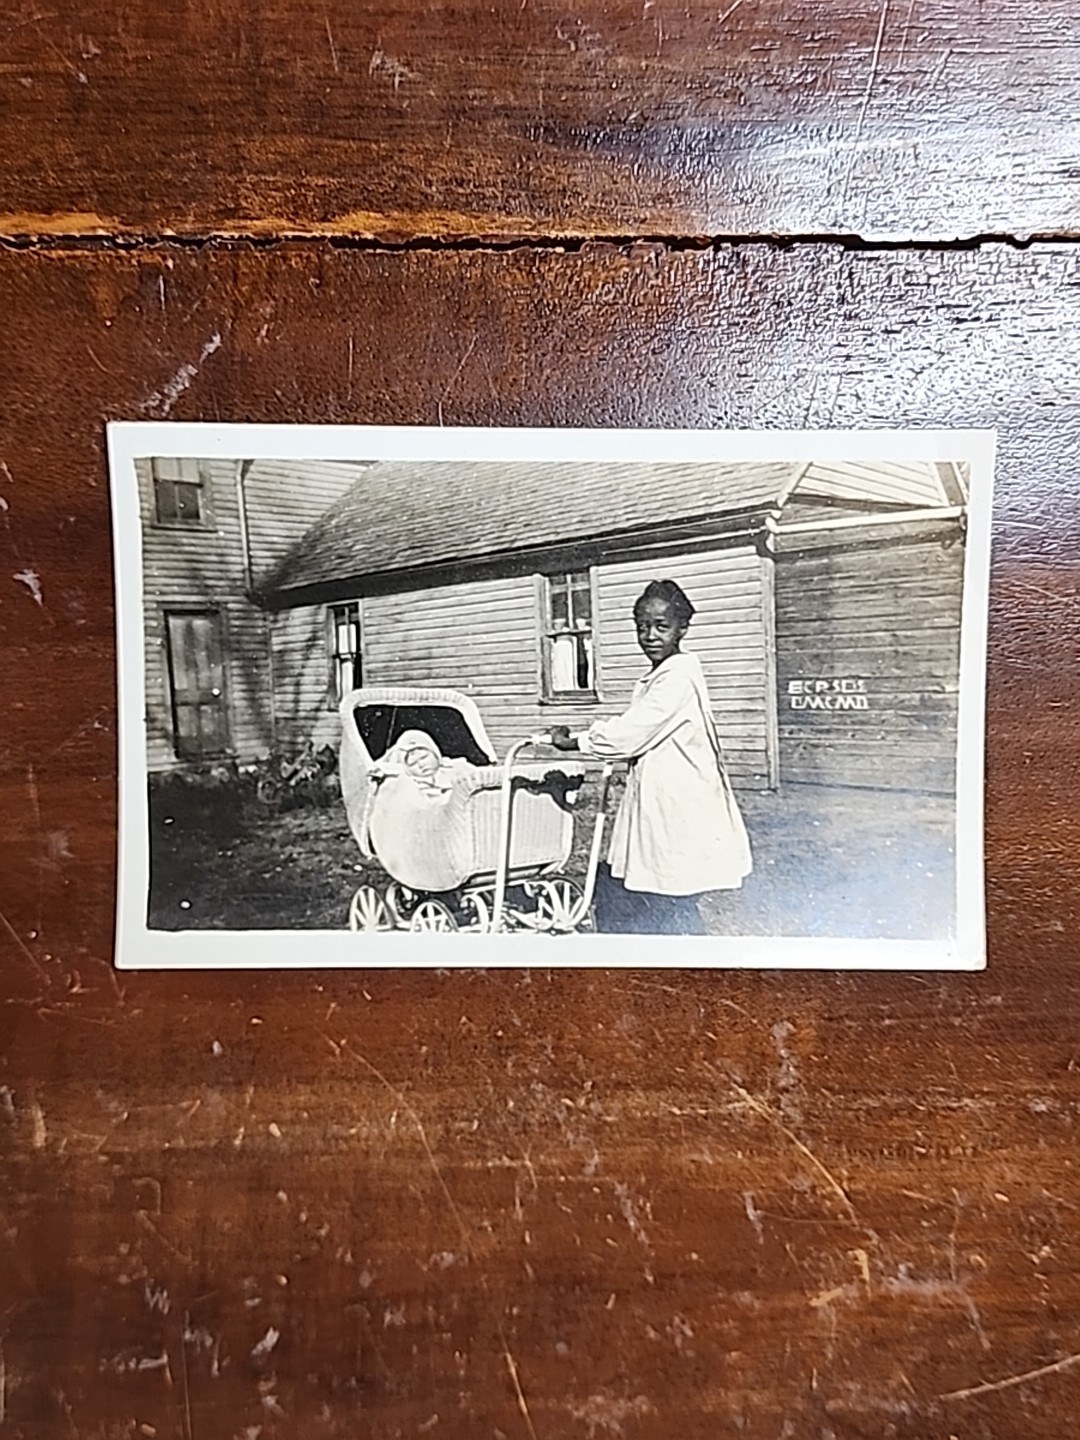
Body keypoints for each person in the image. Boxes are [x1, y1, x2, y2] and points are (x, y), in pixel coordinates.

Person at [550, 579, 752, 934]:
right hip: (665, 791)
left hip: (678, 798)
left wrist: (577, 741)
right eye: (642, 627)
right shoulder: (663, 674)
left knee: (670, 883)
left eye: (661, 626)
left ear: (682, 628)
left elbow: (631, 732)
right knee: (662, 882)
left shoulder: (678, 677)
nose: (650, 636)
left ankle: (677, 949)